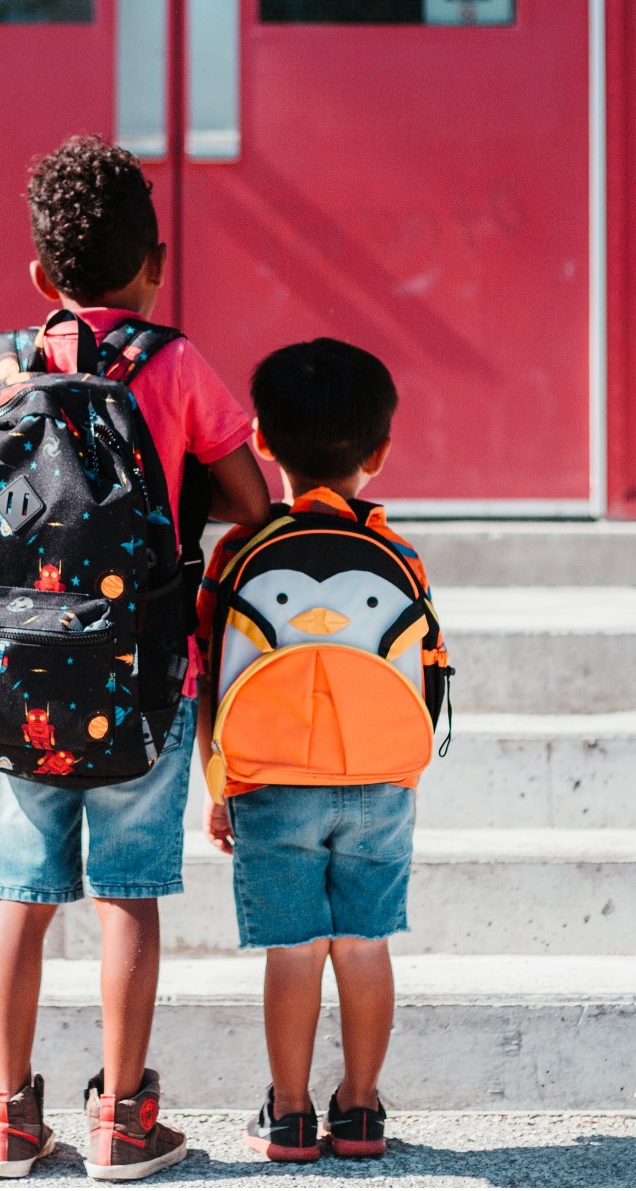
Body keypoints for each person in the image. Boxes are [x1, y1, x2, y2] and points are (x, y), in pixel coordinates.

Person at [0, 135, 270, 1180]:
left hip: (10, 686)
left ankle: (7, 1114)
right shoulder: (173, 363)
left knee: (19, 891)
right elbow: (251, 506)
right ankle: (124, 1120)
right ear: (157, 267)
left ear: (42, 280)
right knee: (127, 892)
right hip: (144, 677)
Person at [196, 338, 439, 1164]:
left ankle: (291, 1113)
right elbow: (420, 673)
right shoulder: (400, 557)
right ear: (379, 451)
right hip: (379, 779)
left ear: (260, 441)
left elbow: (213, 676)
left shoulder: (236, 554)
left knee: (292, 950)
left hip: (268, 781)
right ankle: (362, 1109)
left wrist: (218, 783)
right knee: (364, 945)